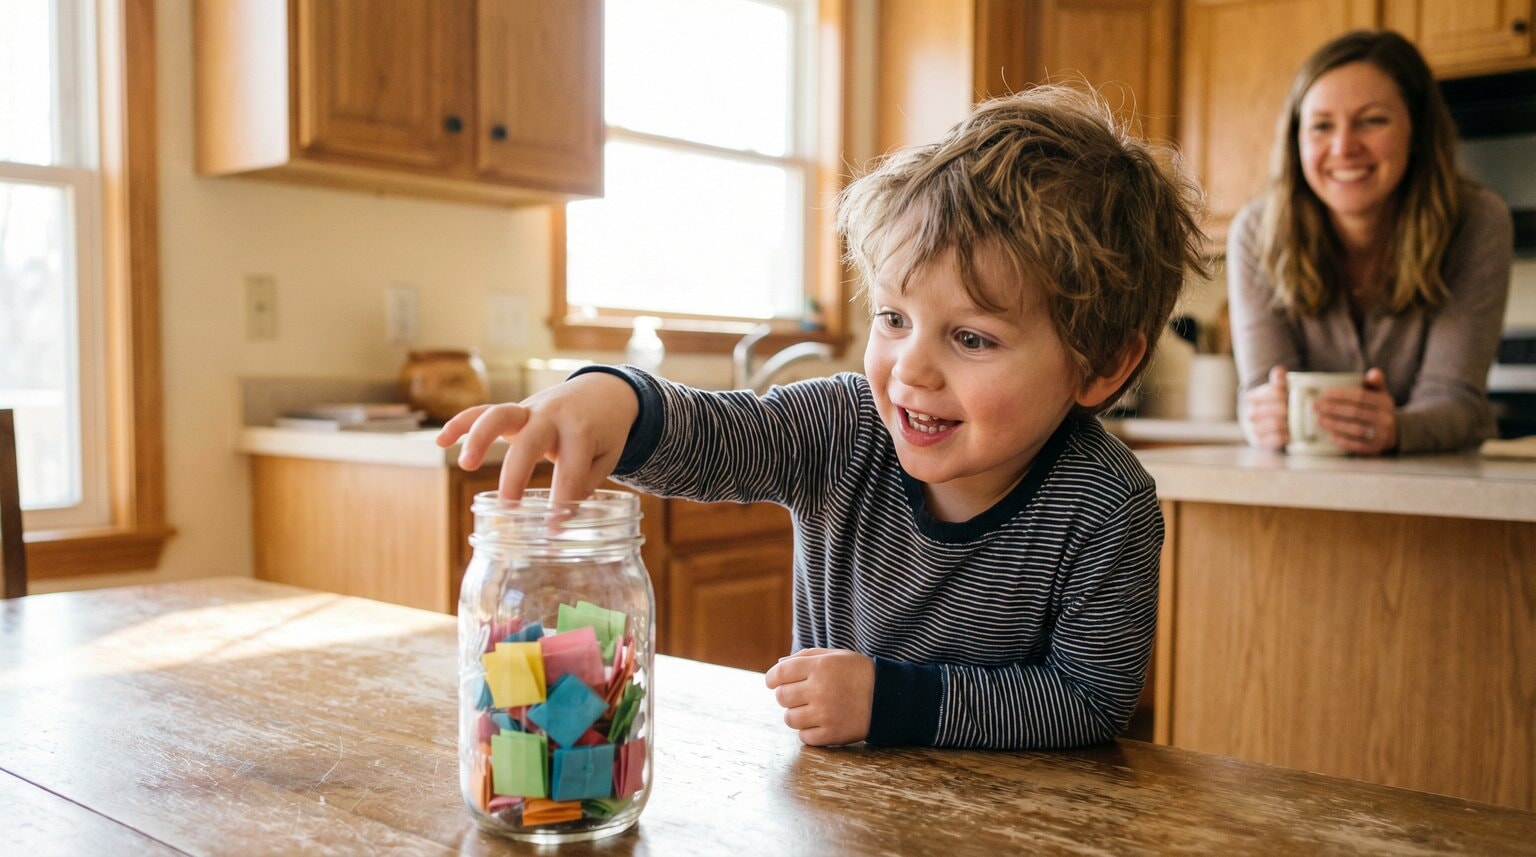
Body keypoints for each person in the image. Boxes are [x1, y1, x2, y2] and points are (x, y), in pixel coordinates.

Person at [438, 86, 1205, 750]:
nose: (911, 369)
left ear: (1104, 364)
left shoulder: (1109, 505)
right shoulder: (842, 426)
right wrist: (614, 397)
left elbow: (1088, 699)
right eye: (894, 317)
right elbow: (719, 436)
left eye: (971, 337)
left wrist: (890, 701)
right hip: (836, 802)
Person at [1229, 30, 1513, 455]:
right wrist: (1261, 416)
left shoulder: (1477, 221)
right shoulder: (1255, 230)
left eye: (1372, 120)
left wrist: (1397, 428)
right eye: (1322, 126)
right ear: (1296, 142)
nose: (1344, 147)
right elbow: (1262, 389)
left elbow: (1457, 401)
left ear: (1417, 132)